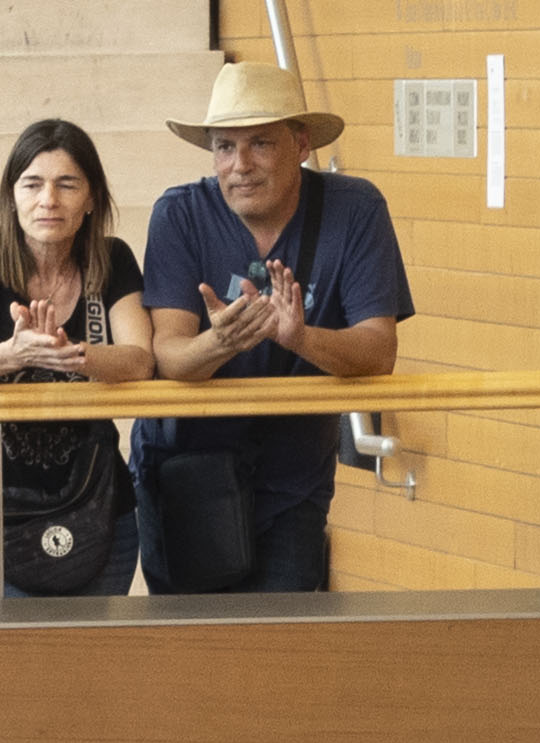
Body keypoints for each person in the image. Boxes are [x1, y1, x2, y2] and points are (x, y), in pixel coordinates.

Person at [137, 59, 413, 595]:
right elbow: (167, 356)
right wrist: (220, 342)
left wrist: (300, 337)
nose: (240, 166)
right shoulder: (179, 215)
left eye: (260, 144)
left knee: (280, 653)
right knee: (193, 655)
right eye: (223, 147)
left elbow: (379, 351)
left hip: (293, 479)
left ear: (301, 143)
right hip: (187, 472)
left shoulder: (355, 210)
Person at [0, 120, 155, 598]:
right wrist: (12, 354)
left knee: (91, 664)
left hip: (96, 502)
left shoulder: (110, 259)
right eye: (32, 184)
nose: (48, 199)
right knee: (5, 667)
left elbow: (140, 361)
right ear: (12, 196)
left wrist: (75, 356)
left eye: (67, 184)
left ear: (91, 198)